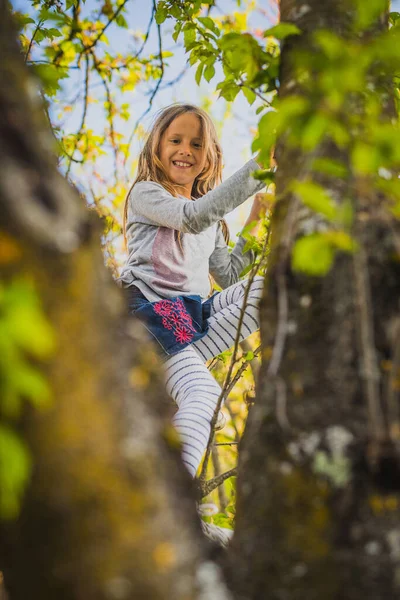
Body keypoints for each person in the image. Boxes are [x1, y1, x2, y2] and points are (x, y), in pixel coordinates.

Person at [117, 102, 268, 478]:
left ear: (208, 157)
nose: (186, 149)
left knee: (268, 290)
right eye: (176, 140)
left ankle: (170, 364)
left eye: (197, 144)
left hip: (190, 320)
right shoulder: (147, 194)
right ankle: (179, 498)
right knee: (202, 397)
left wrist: (255, 220)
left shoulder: (212, 222)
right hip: (150, 314)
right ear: (157, 146)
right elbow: (192, 218)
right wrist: (264, 165)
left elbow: (230, 276)